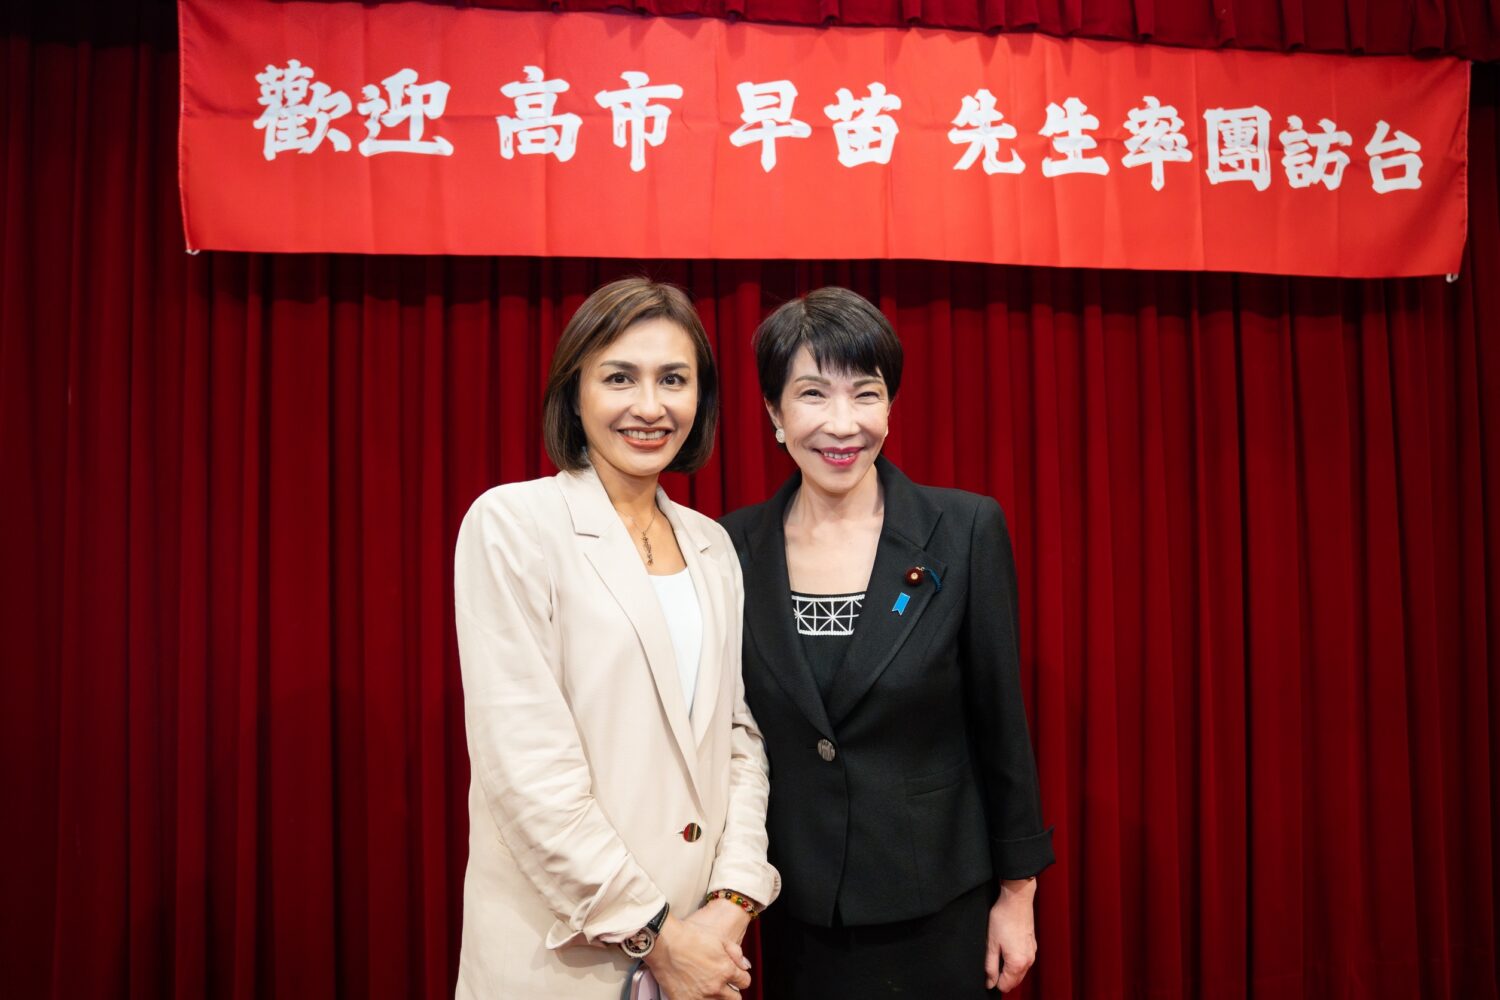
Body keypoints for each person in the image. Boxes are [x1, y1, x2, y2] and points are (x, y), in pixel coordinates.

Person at [720, 287, 1053, 998]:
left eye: (864, 394)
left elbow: (1002, 724)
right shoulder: (729, 547)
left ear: (890, 406)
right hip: (796, 909)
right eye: (812, 394)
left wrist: (1018, 897)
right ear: (775, 414)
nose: (842, 424)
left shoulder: (961, 531)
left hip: (938, 903)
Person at [453, 277, 780, 1000]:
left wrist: (732, 901)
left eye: (674, 379)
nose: (650, 406)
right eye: (619, 378)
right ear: (574, 394)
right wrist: (659, 936)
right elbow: (528, 771)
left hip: (702, 954)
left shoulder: (712, 546)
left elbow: (737, 737)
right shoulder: (512, 525)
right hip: (562, 955)